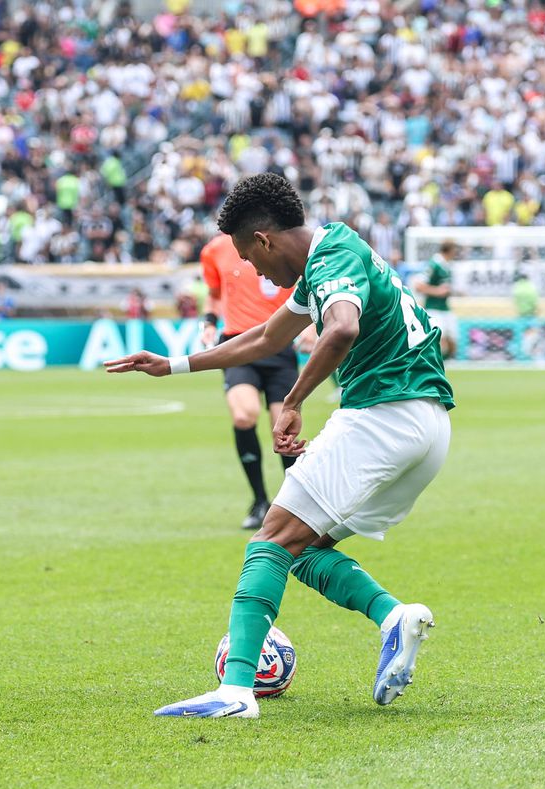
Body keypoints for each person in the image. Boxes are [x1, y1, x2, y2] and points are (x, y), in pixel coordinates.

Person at [106, 173, 453, 719]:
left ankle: (236, 693)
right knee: (301, 548)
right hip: (427, 426)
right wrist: (172, 365)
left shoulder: (333, 254)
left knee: (269, 536)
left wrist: (292, 400)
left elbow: (341, 329)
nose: (249, 269)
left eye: (247, 255)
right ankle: (394, 618)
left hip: (384, 413)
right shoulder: (329, 258)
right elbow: (268, 337)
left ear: (264, 238)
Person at [199, 232, 299, 529]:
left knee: (283, 431)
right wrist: (208, 322)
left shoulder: (280, 242)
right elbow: (215, 292)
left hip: (279, 344)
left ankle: (293, 505)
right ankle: (259, 501)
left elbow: (303, 287)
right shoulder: (215, 249)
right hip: (237, 344)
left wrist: (309, 326)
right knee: (244, 415)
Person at [414, 240, 457, 359]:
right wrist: (437, 291)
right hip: (433, 308)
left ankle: (447, 364)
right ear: (450, 250)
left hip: (445, 308)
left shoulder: (447, 265)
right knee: (440, 341)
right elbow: (418, 286)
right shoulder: (434, 264)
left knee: (453, 340)